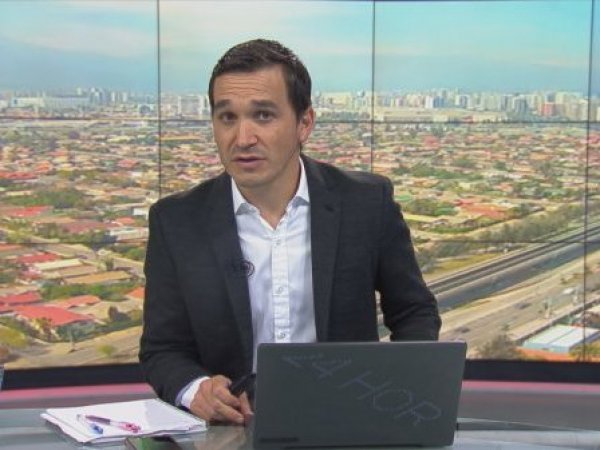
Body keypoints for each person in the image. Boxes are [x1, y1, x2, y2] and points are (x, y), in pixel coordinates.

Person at [139, 38, 441, 426]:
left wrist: (391, 391)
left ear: (305, 123)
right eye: (227, 117)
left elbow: (414, 312)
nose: (242, 138)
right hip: (231, 431)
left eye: (263, 115)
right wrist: (196, 390)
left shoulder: (366, 203)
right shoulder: (176, 221)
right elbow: (162, 349)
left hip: (348, 424)